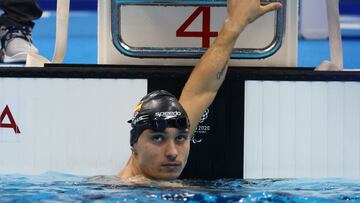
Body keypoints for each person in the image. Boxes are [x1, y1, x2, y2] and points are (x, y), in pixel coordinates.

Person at [118, 0, 282, 181]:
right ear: (133, 144)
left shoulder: (154, 178)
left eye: (180, 138)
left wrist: (235, 25)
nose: (172, 152)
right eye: (158, 138)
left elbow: (202, 89)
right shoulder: (126, 191)